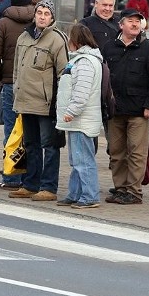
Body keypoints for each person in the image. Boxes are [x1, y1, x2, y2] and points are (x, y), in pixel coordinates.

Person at [8, 0, 69, 202]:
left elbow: (64, 73)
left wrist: (60, 103)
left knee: (49, 146)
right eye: (39, 13)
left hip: (46, 104)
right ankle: (30, 184)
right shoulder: (24, 37)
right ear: (34, 15)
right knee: (30, 144)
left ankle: (49, 187)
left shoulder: (57, 40)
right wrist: (17, 89)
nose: (42, 16)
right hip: (26, 101)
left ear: (52, 18)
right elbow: (17, 68)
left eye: (46, 14)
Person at [101, 7, 149, 204]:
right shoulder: (109, 47)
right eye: (130, 21)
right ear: (121, 25)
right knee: (116, 152)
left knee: (136, 152)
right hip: (115, 110)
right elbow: (103, 78)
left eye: (138, 21)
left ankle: (134, 192)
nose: (135, 24)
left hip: (138, 110)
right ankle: (120, 188)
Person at [0, 0, 35, 189]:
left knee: (11, 131)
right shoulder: (37, 23)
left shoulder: (3, 24)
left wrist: (1, 77)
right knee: (30, 132)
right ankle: (29, 178)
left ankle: (11, 177)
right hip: (32, 86)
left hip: (9, 84)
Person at [56, 24, 104, 209]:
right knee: (77, 159)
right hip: (78, 120)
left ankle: (90, 196)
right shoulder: (81, 59)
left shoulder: (85, 62)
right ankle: (75, 193)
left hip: (81, 119)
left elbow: (81, 92)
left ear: (76, 40)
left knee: (83, 159)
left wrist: (71, 112)